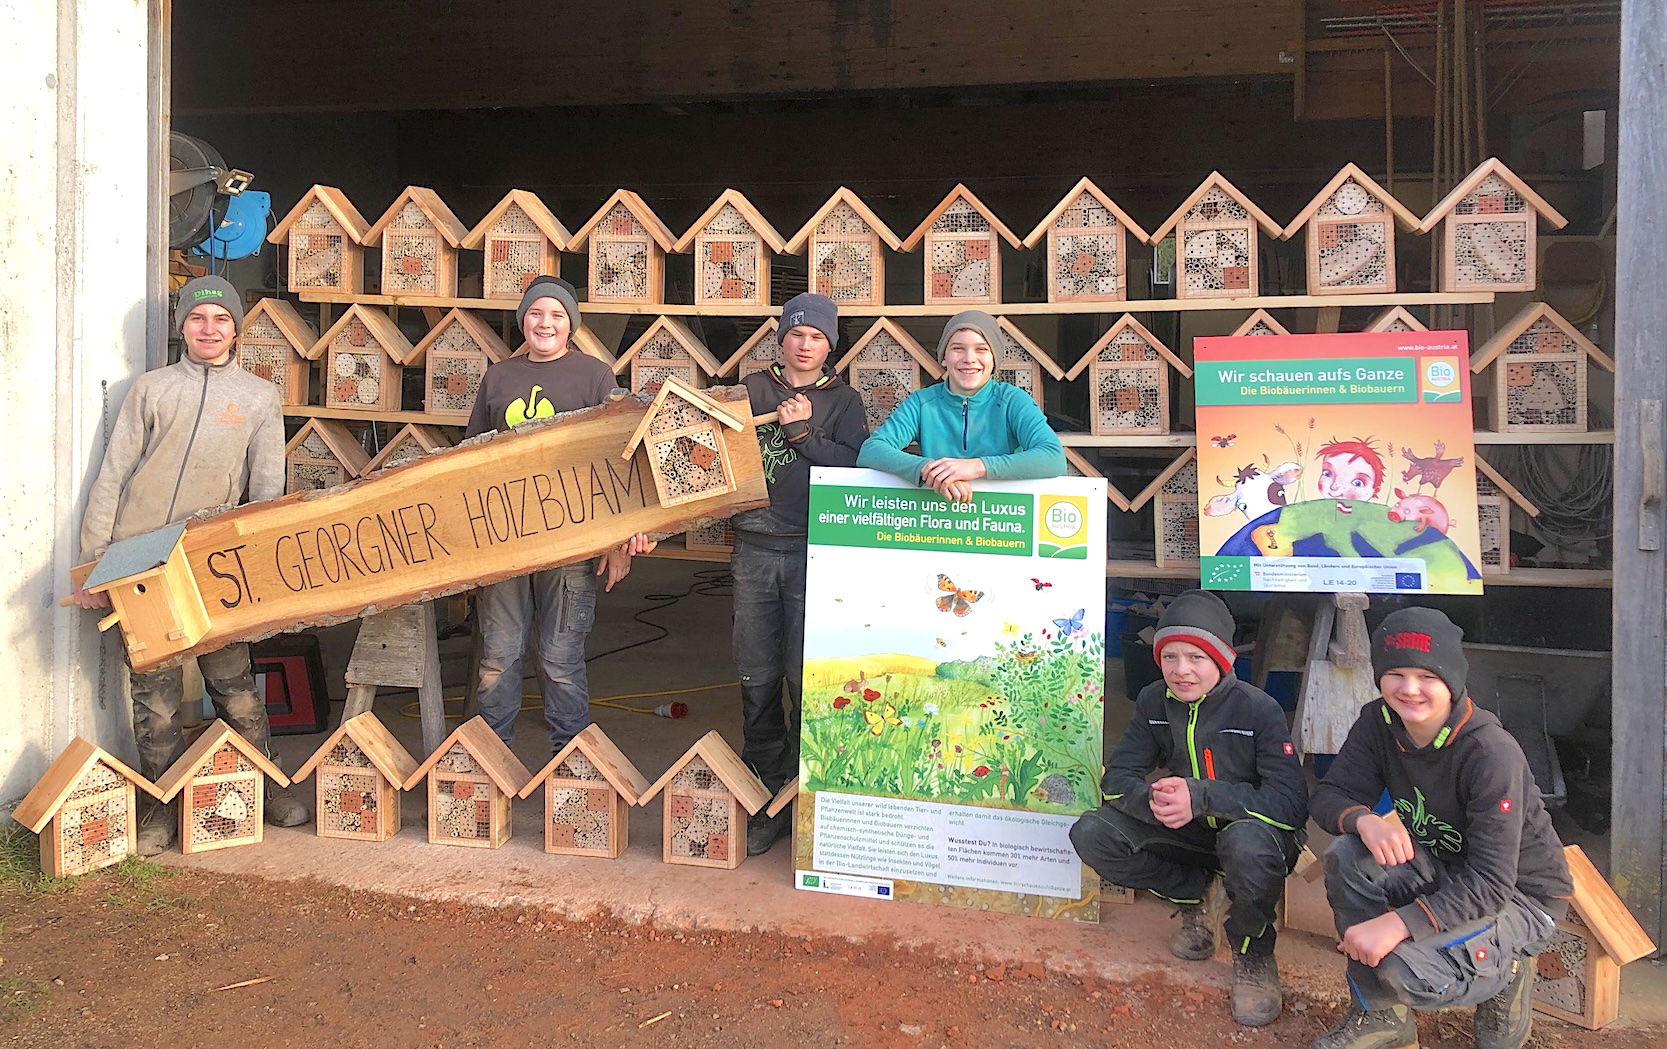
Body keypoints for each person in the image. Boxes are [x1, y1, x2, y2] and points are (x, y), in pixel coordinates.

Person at [74, 275, 308, 854]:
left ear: (236, 328)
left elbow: (267, 487)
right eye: (199, 319)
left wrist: (258, 566)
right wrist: (92, 565)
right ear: (183, 327)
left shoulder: (257, 396)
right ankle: (161, 805)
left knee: (236, 689)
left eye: (221, 320)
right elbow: (112, 477)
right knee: (154, 697)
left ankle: (266, 784)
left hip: (209, 560)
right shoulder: (150, 390)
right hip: (138, 560)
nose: (210, 329)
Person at [1307, 607, 1571, 1049]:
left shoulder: (1490, 752)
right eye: (1396, 674)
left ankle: (1507, 970)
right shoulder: (1380, 721)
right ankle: (1382, 1017)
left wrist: (1398, 924)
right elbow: (1329, 794)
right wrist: (1364, 819)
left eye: (1427, 677)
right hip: (1443, 865)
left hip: (1520, 895)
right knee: (1347, 855)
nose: (1410, 690)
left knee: (1405, 970)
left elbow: (1491, 882)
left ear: (1452, 680)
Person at [1069, 590, 1306, 1027]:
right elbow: (1118, 778)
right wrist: (1156, 802)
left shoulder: (1259, 710)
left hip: (1254, 836)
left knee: (1246, 843)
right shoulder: (1153, 701)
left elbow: (1290, 805)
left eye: (1196, 657)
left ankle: (1253, 954)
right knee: (1092, 832)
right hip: (1194, 835)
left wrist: (1199, 797)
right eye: (1170, 657)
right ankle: (1197, 895)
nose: (1181, 671)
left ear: (1222, 659)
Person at [464, 275, 651, 755]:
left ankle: (571, 764)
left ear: (571, 324)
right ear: (523, 319)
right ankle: (491, 760)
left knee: (560, 659)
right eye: (536, 313)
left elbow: (620, 462)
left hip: (571, 542)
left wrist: (617, 541)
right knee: (497, 658)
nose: (545, 323)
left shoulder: (594, 376)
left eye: (557, 315)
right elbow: (468, 462)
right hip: (504, 540)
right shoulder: (498, 377)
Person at [731, 293, 868, 855]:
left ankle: (797, 793)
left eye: (816, 336)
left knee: (804, 674)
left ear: (830, 345)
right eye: (796, 333)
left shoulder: (844, 399)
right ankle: (762, 794)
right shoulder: (751, 390)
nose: (804, 343)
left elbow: (858, 463)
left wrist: (803, 437)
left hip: (817, 548)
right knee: (756, 671)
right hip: (755, 545)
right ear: (781, 338)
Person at [856, 310, 1065, 498]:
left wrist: (976, 467)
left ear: (994, 360)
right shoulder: (922, 403)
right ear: (944, 358)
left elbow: (1052, 457)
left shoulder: (1013, 401)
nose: (969, 359)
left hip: (1003, 519)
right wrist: (930, 469)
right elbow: (872, 450)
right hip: (937, 518)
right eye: (958, 348)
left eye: (981, 349)